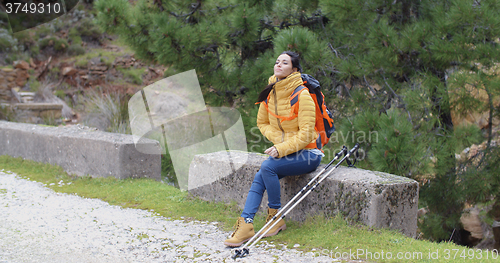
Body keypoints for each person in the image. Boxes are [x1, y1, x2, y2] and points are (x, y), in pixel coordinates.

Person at [224, 51, 324, 247]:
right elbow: (261, 122)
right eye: (277, 61)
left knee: (268, 167)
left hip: (309, 154)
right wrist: (282, 143)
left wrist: (282, 147)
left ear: (294, 70)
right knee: (261, 173)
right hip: (288, 151)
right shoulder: (270, 92)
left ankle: (275, 216)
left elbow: (305, 135)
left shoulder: (302, 95)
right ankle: (246, 224)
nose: (278, 65)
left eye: (284, 63)